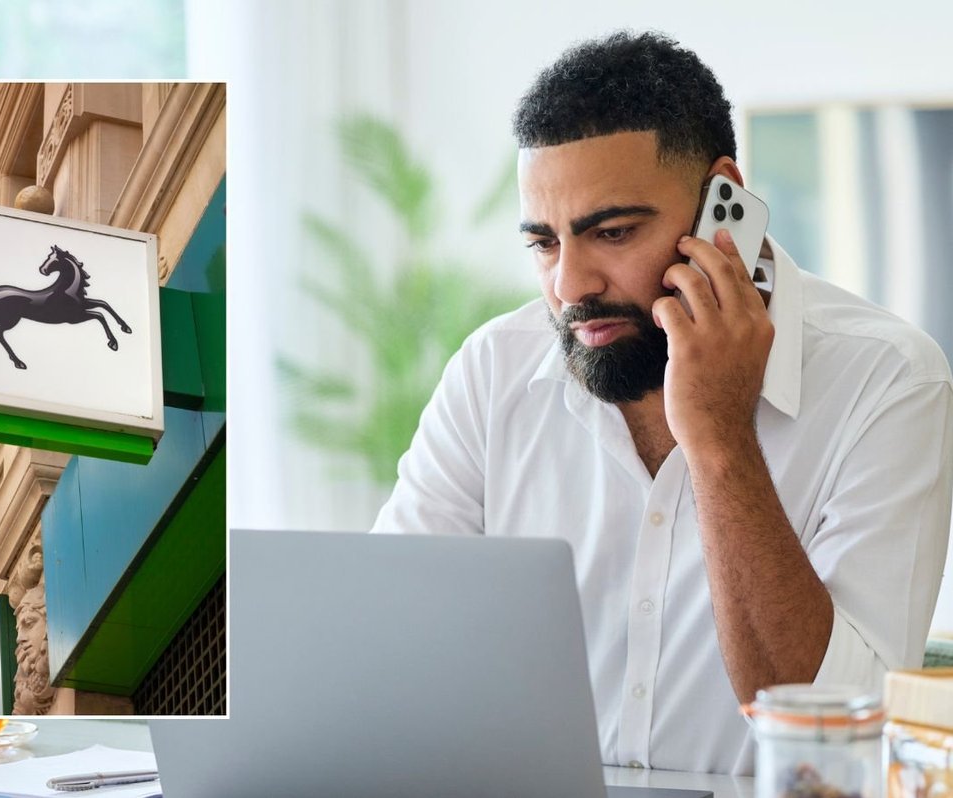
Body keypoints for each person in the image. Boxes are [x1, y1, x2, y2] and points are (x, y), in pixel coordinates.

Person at [371, 30, 953, 776]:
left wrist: (719, 437)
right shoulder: (494, 370)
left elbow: (834, 748)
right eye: (544, 244)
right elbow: (386, 649)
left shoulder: (889, 383)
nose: (570, 286)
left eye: (611, 232)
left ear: (725, 205)